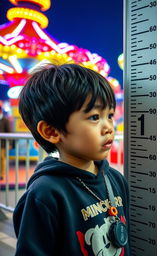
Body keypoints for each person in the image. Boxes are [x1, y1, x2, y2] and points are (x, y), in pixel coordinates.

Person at [13, 64, 130, 255]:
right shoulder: (44, 195)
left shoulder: (116, 180)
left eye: (109, 115)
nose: (109, 126)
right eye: (94, 117)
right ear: (51, 131)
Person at [0, 102, 11, 180]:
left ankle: (1, 174)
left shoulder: (5, 120)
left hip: (3, 144)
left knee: (1, 158)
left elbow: (9, 132)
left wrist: (9, 143)